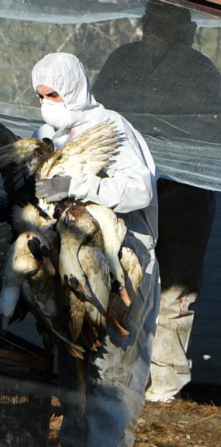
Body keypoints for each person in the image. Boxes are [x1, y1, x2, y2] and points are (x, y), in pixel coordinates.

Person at [93, 0, 220, 403]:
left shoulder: (202, 73)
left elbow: (211, 135)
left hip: (185, 199)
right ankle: (114, 383)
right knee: (121, 286)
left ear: (188, 30)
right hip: (127, 197)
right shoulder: (123, 60)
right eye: (159, 21)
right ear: (146, 23)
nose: (165, 30)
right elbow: (98, 120)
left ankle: (164, 393)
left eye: (175, 22)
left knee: (175, 295)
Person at [32, 52, 160, 447]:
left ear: (72, 89)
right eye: (40, 96)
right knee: (75, 389)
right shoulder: (47, 135)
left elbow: (140, 189)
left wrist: (80, 186)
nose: (46, 103)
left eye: (52, 94)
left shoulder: (111, 127)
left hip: (123, 268)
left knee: (111, 386)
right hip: (72, 273)